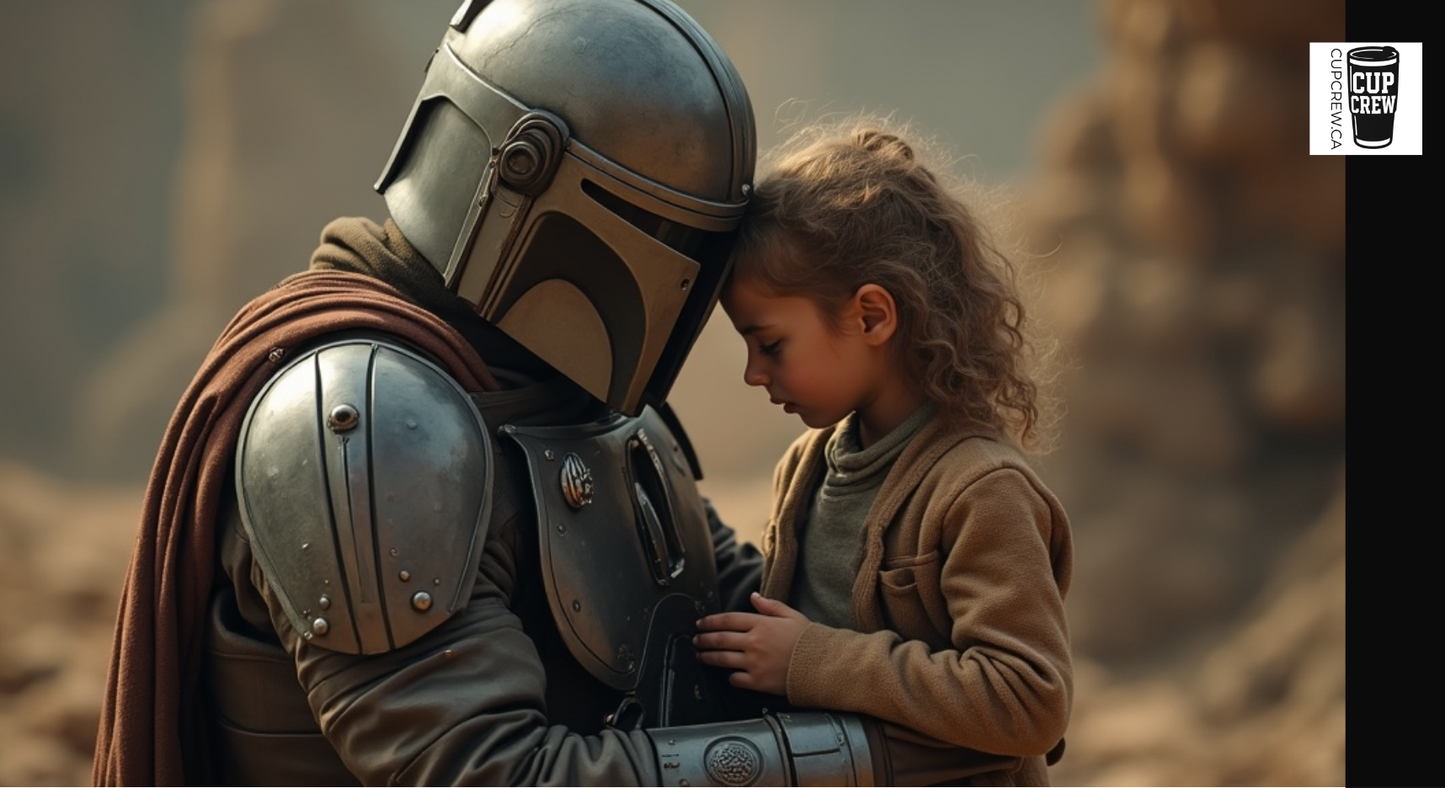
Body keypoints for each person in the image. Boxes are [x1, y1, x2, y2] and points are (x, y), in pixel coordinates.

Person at [91, 1, 891, 785]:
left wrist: (932, 684)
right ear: (521, 173)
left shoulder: (578, 395)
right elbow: (485, 771)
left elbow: (728, 616)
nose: (674, 281)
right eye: (655, 231)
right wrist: (871, 760)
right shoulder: (366, 428)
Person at [693, 123, 1074, 786]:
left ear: (871, 316)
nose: (754, 373)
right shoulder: (807, 465)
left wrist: (810, 659)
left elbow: (1029, 700)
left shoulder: (981, 491)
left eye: (771, 344)